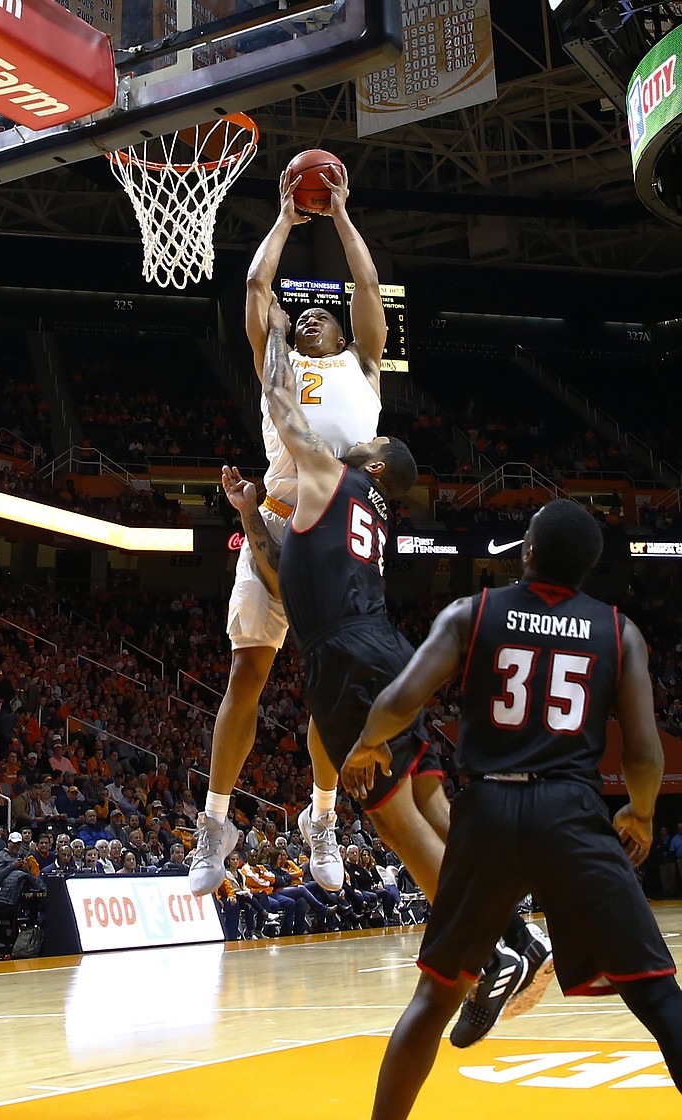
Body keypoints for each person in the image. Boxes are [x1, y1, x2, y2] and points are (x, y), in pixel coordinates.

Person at [230, 297, 550, 1040]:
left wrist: (273, 334)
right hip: (378, 647)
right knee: (438, 809)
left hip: (345, 658)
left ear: (374, 462)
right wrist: (249, 513)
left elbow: (279, 400)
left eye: (368, 440)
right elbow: (283, 576)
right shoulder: (361, 512)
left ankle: (487, 951)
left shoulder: (328, 477)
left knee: (402, 826)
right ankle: (520, 935)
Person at [340, 499, 682, 1115]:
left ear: (526, 552)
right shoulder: (617, 630)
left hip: (490, 808)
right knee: (660, 996)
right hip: (572, 813)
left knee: (434, 997)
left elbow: (402, 696)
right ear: (588, 569)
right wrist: (641, 812)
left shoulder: (473, 613)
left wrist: (367, 744)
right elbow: (644, 750)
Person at [191, 163, 387, 897]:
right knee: (248, 671)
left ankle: (323, 818)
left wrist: (338, 214)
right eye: (299, 315)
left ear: (341, 331)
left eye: (319, 315)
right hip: (277, 522)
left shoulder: (363, 366)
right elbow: (255, 292)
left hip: (344, 536)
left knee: (330, 688)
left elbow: (366, 288)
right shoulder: (278, 365)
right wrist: (282, 215)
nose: (308, 317)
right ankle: (215, 823)